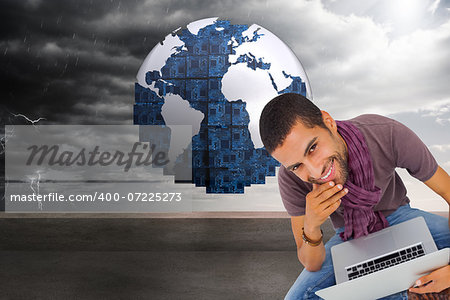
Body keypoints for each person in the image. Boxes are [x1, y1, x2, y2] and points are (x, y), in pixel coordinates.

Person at [258, 93, 450, 299]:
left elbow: (447, 190)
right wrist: (312, 226)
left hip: (400, 217)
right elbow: (311, 263)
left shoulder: (386, 133)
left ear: (328, 122)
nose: (315, 172)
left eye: (313, 148)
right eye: (297, 166)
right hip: (348, 236)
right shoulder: (290, 178)